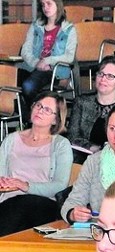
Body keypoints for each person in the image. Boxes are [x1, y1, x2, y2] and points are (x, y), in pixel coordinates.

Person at [0, 91, 72, 236]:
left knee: (22, 205)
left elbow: (59, 185)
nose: (40, 110)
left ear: (55, 120)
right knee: (14, 209)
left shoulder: (61, 144)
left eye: (47, 109)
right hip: (8, 202)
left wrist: (25, 186)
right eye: (38, 105)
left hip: (42, 203)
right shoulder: (11, 139)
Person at [18, 0, 77, 105]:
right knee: (7, 80)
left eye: (49, 4)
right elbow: (25, 50)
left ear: (58, 4)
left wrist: (47, 61)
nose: (46, 7)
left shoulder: (69, 29)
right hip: (32, 66)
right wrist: (36, 63)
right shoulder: (36, 26)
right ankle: (29, 115)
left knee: (28, 87)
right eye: (43, 5)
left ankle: (36, 114)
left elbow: (69, 57)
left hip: (53, 70)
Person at [66, 56, 115, 155]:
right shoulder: (81, 102)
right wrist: (92, 148)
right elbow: (72, 137)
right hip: (83, 157)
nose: (103, 79)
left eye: (110, 76)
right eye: (100, 74)